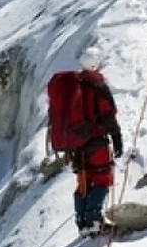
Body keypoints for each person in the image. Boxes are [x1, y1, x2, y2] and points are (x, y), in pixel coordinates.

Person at [46, 47, 124, 236]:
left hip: (76, 144)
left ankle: (82, 223)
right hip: (96, 141)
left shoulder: (74, 85)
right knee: (101, 177)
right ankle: (94, 220)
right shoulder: (97, 86)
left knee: (84, 180)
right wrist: (117, 138)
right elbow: (108, 115)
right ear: (96, 64)